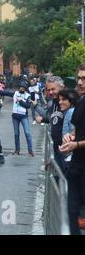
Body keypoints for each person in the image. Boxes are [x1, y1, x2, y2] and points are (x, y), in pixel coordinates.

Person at [60, 64, 85, 235]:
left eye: (84, 79)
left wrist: (77, 144)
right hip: (77, 166)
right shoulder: (81, 101)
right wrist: (70, 137)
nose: (80, 82)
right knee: (71, 213)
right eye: (79, 78)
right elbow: (77, 128)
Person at [34, 76, 65, 171]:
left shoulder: (67, 102)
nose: (50, 92)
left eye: (53, 89)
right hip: (57, 150)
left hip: (66, 150)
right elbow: (50, 116)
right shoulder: (54, 103)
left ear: (62, 88)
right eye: (48, 90)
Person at [11, 80, 34, 156]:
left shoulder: (28, 96)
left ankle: (30, 150)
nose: (22, 88)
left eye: (24, 87)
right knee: (16, 134)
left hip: (23, 116)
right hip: (15, 116)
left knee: (27, 133)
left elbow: (28, 106)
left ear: (25, 88)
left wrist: (20, 101)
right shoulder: (15, 93)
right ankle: (17, 150)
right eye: (21, 87)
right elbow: (5, 92)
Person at [58, 89, 78, 169]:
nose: (60, 102)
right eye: (59, 100)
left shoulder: (71, 112)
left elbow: (73, 134)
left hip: (70, 156)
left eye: (63, 99)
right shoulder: (69, 111)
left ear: (71, 101)